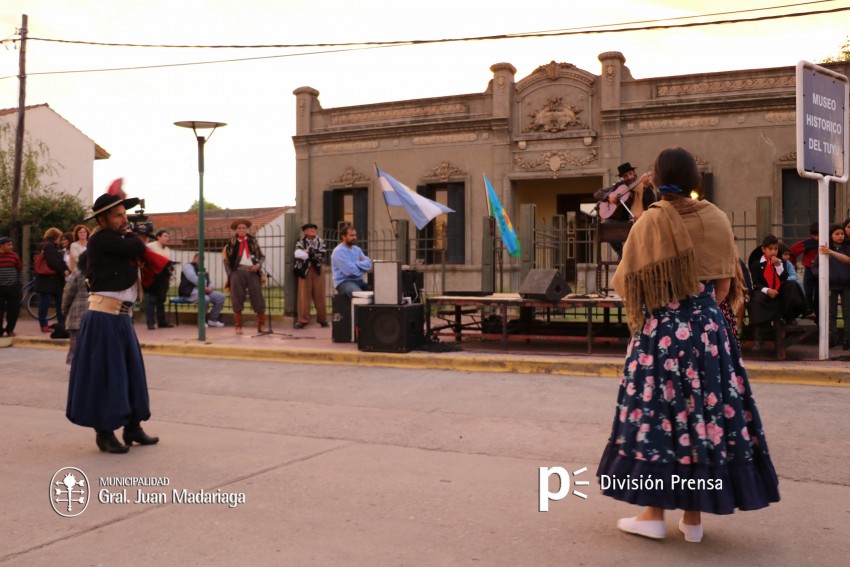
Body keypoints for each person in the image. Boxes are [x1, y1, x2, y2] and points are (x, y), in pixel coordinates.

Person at [597, 147, 779, 543]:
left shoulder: (650, 222)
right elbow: (725, 287)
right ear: (697, 179)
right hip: (709, 333)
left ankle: (652, 514)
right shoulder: (717, 218)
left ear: (657, 179)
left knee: (660, 418)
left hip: (663, 333)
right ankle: (693, 519)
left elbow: (627, 283)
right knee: (703, 419)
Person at [66, 191, 168, 454]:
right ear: (102, 219)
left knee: (131, 374)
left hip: (122, 317)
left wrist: (130, 233)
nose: (125, 219)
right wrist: (134, 235)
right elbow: (136, 247)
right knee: (107, 376)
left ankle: (132, 427)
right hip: (103, 318)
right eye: (118, 215)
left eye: (125, 214)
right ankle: (104, 433)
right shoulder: (101, 239)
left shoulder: (115, 238)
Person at [593, 162, 655, 258]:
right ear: (622, 178)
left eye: (630, 174)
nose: (629, 177)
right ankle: (620, 251)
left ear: (634, 173)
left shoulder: (643, 185)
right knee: (606, 225)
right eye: (625, 176)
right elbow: (597, 193)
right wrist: (608, 197)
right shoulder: (619, 186)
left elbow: (652, 202)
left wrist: (647, 187)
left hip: (636, 220)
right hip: (621, 220)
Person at [748, 234, 807, 331]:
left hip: (779, 289)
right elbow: (756, 284)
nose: (773, 252)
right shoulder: (756, 264)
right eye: (770, 249)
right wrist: (767, 290)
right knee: (758, 299)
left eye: (775, 249)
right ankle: (758, 332)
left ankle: (790, 316)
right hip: (765, 291)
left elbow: (785, 278)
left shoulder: (781, 262)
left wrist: (778, 266)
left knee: (792, 284)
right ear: (764, 249)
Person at [222, 218, 267, 335]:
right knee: (237, 298)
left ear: (247, 229)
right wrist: (231, 275)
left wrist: (258, 265)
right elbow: (226, 261)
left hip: (252, 272)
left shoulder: (253, 242)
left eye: (244, 228)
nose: (242, 230)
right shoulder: (230, 244)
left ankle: (261, 325)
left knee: (257, 297)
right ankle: (238, 326)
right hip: (237, 272)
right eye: (239, 228)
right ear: (236, 230)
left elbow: (261, 256)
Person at [816, 224, 850, 349]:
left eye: (842, 234)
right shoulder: (824, 249)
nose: (840, 236)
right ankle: (832, 338)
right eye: (837, 234)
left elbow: (848, 260)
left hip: (847, 285)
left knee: (847, 312)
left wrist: (831, 252)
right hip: (830, 286)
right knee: (830, 313)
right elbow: (816, 267)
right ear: (831, 235)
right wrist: (824, 277)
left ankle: (847, 339)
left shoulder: (846, 248)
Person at [294, 222, 329, 329]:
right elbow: (297, 254)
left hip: (318, 270)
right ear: (305, 231)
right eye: (309, 228)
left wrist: (308, 252)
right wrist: (310, 253)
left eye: (314, 228)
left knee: (320, 295)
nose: (312, 230)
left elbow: (322, 253)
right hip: (305, 270)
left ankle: (323, 320)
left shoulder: (321, 241)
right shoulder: (300, 241)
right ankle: (302, 320)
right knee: (304, 296)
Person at [35, 227, 69, 333]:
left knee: (52, 302)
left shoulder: (49, 246)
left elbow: (57, 260)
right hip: (49, 280)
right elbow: (53, 261)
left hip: (50, 280)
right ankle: (48, 325)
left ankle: (58, 324)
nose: (60, 239)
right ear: (55, 236)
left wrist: (66, 268)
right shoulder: (49, 246)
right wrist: (63, 271)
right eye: (59, 237)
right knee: (49, 302)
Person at [180, 253, 226, 327]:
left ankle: (213, 320)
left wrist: (210, 287)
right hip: (190, 292)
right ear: (194, 258)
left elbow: (209, 281)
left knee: (220, 297)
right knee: (205, 299)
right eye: (199, 259)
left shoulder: (202, 269)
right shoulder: (188, 267)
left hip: (203, 291)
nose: (201, 261)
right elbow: (192, 278)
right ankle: (201, 321)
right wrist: (203, 286)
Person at [62, 250, 90, 365]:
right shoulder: (100, 272)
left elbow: (68, 292)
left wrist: (65, 309)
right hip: (95, 314)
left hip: (77, 315)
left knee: (76, 343)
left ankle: (75, 366)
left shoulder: (78, 273)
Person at [144, 229, 174, 330]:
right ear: (158, 237)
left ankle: (162, 322)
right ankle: (150, 323)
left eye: (168, 236)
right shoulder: (150, 246)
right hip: (154, 277)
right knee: (152, 300)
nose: (167, 238)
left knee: (161, 300)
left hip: (164, 277)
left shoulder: (167, 249)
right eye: (165, 236)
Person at [331, 225, 372, 297]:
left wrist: (355, 264)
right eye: (351, 235)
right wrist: (362, 268)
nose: (354, 238)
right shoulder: (339, 251)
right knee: (360, 296)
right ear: (343, 237)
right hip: (344, 282)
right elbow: (350, 272)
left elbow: (369, 264)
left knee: (377, 293)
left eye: (355, 235)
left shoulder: (357, 249)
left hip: (359, 281)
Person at [789, 222, 819, 314]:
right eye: (815, 235)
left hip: (822, 271)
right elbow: (792, 251)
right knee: (808, 292)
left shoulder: (827, 242)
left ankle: (818, 313)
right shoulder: (808, 243)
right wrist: (793, 265)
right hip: (809, 270)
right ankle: (808, 311)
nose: (817, 237)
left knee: (819, 294)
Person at [0, 236, 23, 337]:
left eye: (11, 244)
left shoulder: (14, 256)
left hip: (13, 287)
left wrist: (19, 284)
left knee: (13, 310)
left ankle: (10, 329)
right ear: (1, 246)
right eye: (8, 245)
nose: (11, 247)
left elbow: (19, 269)